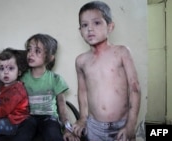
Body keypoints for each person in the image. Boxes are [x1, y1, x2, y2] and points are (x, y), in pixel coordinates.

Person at [72, 1, 141, 141]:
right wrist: (82, 118)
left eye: (96, 23)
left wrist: (131, 125)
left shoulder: (121, 52)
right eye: (84, 25)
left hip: (122, 125)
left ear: (110, 27)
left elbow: (135, 89)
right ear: (80, 31)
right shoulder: (81, 61)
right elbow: (83, 92)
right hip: (94, 127)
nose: (90, 29)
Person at [20, 33, 80, 141]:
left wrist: (68, 128)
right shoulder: (22, 78)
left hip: (49, 118)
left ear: (50, 57)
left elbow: (62, 108)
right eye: (29, 49)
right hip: (28, 118)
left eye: (37, 51)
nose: (30, 54)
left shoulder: (56, 79)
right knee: (21, 136)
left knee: (53, 135)